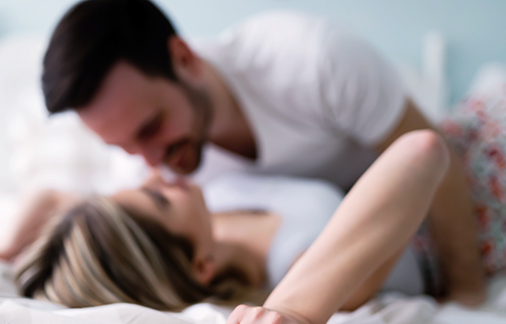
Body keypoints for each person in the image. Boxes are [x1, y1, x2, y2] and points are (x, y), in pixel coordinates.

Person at [40, 0, 487, 306]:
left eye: (151, 128)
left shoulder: (310, 61)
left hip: (458, 171)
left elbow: (432, 152)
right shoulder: (144, 169)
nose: (150, 162)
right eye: (122, 146)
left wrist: (467, 293)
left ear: (184, 59)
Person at [14, 129, 450, 324]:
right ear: (200, 265)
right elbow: (422, 151)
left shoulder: (212, 205)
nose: (157, 174)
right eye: (158, 197)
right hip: (462, 204)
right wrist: (293, 310)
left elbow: (52, 194)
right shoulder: (301, 268)